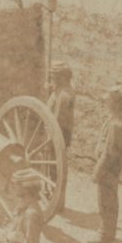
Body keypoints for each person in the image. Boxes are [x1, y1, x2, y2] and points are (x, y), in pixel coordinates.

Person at [90, 86, 122, 243]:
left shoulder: (116, 124)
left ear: (115, 103)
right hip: (112, 165)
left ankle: (105, 234)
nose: (105, 102)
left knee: (106, 200)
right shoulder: (117, 118)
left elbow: (110, 152)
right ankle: (107, 230)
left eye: (108, 100)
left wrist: (98, 171)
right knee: (109, 198)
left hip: (109, 167)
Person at [46, 62, 75, 210]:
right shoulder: (63, 90)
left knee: (55, 167)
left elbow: (57, 119)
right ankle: (54, 197)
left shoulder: (64, 95)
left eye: (54, 76)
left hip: (59, 133)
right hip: (60, 132)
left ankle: (56, 200)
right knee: (55, 166)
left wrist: (50, 138)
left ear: (62, 77)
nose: (52, 79)